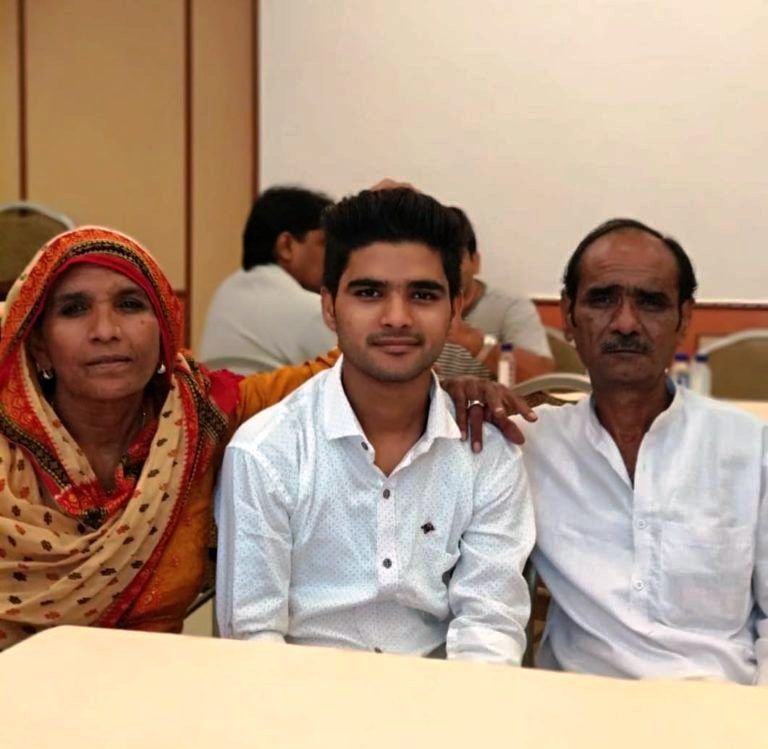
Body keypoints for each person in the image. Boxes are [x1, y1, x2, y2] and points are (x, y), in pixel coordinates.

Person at [0, 225, 524, 651]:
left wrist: (452, 379)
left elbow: (362, 361)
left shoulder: (199, 422)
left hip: (155, 699)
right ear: (37, 345)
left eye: (132, 305)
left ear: (164, 328)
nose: (106, 330)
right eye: (73, 309)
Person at [216, 188, 535, 664]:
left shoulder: (487, 453)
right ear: (329, 307)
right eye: (369, 293)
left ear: (456, 309)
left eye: (423, 295)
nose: (396, 318)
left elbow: (488, 627)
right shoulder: (267, 451)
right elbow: (253, 637)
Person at [517, 218, 768, 684]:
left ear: (684, 319)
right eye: (603, 299)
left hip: (721, 707)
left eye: (651, 303)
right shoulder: (526, 445)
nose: (627, 323)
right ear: (569, 317)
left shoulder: (751, 448)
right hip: (576, 709)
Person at [199, 186, 338, 374]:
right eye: (325, 243)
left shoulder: (226, 290)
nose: (336, 256)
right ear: (286, 246)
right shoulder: (312, 310)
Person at [435, 207, 554, 381]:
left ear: (475, 262)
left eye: (453, 258)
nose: (445, 269)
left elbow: (542, 376)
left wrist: (473, 341)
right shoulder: (408, 309)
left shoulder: (510, 307)